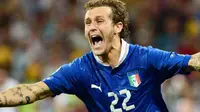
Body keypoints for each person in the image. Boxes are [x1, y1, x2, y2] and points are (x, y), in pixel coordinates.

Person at [0, 0, 200, 112]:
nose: (91, 27)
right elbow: (35, 90)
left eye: (99, 21)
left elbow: (192, 61)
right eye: (88, 22)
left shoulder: (146, 58)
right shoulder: (80, 70)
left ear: (117, 27)